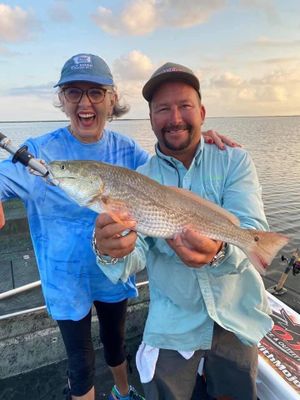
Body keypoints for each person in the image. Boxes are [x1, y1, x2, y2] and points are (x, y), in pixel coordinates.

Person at [0, 55, 235, 400]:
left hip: (113, 276)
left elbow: (165, 180)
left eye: (96, 92)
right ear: (62, 100)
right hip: (65, 281)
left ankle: (123, 392)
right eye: (73, 92)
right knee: (79, 361)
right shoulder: (40, 154)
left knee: (116, 344)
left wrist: (199, 143)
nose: (84, 102)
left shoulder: (128, 151)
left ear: (112, 99)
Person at [94, 62, 274, 400]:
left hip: (237, 313)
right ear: (151, 119)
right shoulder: (142, 178)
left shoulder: (234, 160)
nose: (175, 118)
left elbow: (252, 230)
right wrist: (109, 249)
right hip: (173, 322)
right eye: (163, 109)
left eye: (185, 106)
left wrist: (219, 251)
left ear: (202, 112)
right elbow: (136, 253)